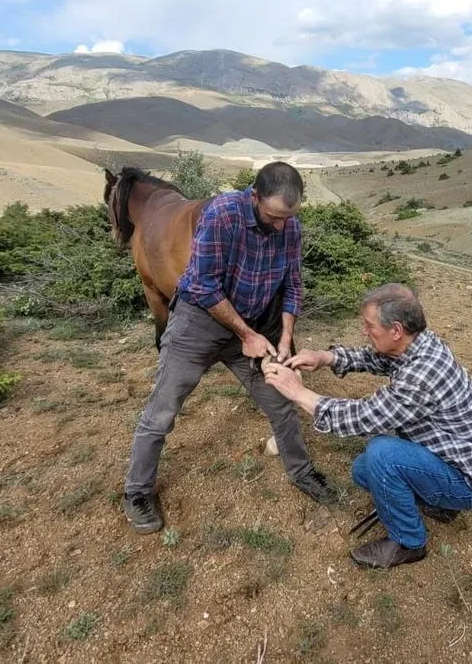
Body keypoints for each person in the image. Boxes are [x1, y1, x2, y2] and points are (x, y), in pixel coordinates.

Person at [122, 161, 338, 534]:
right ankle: (137, 491)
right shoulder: (223, 214)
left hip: (251, 327)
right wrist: (247, 335)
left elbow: (292, 283)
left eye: (288, 217)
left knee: (281, 403)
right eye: (274, 217)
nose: (281, 226)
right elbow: (203, 285)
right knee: (162, 411)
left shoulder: (289, 227)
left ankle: (302, 471)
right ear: (254, 196)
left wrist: (285, 334)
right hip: (198, 323)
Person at [263, 283, 472, 569]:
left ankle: (408, 542)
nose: (365, 331)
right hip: (457, 461)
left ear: (396, 330)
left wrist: (299, 393)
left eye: (369, 325)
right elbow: (377, 359)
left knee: (382, 453)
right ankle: (436, 502)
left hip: (468, 483)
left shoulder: (421, 374)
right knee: (364, 470)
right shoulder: (419, 344)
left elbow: (363, 417)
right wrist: (325, 357)